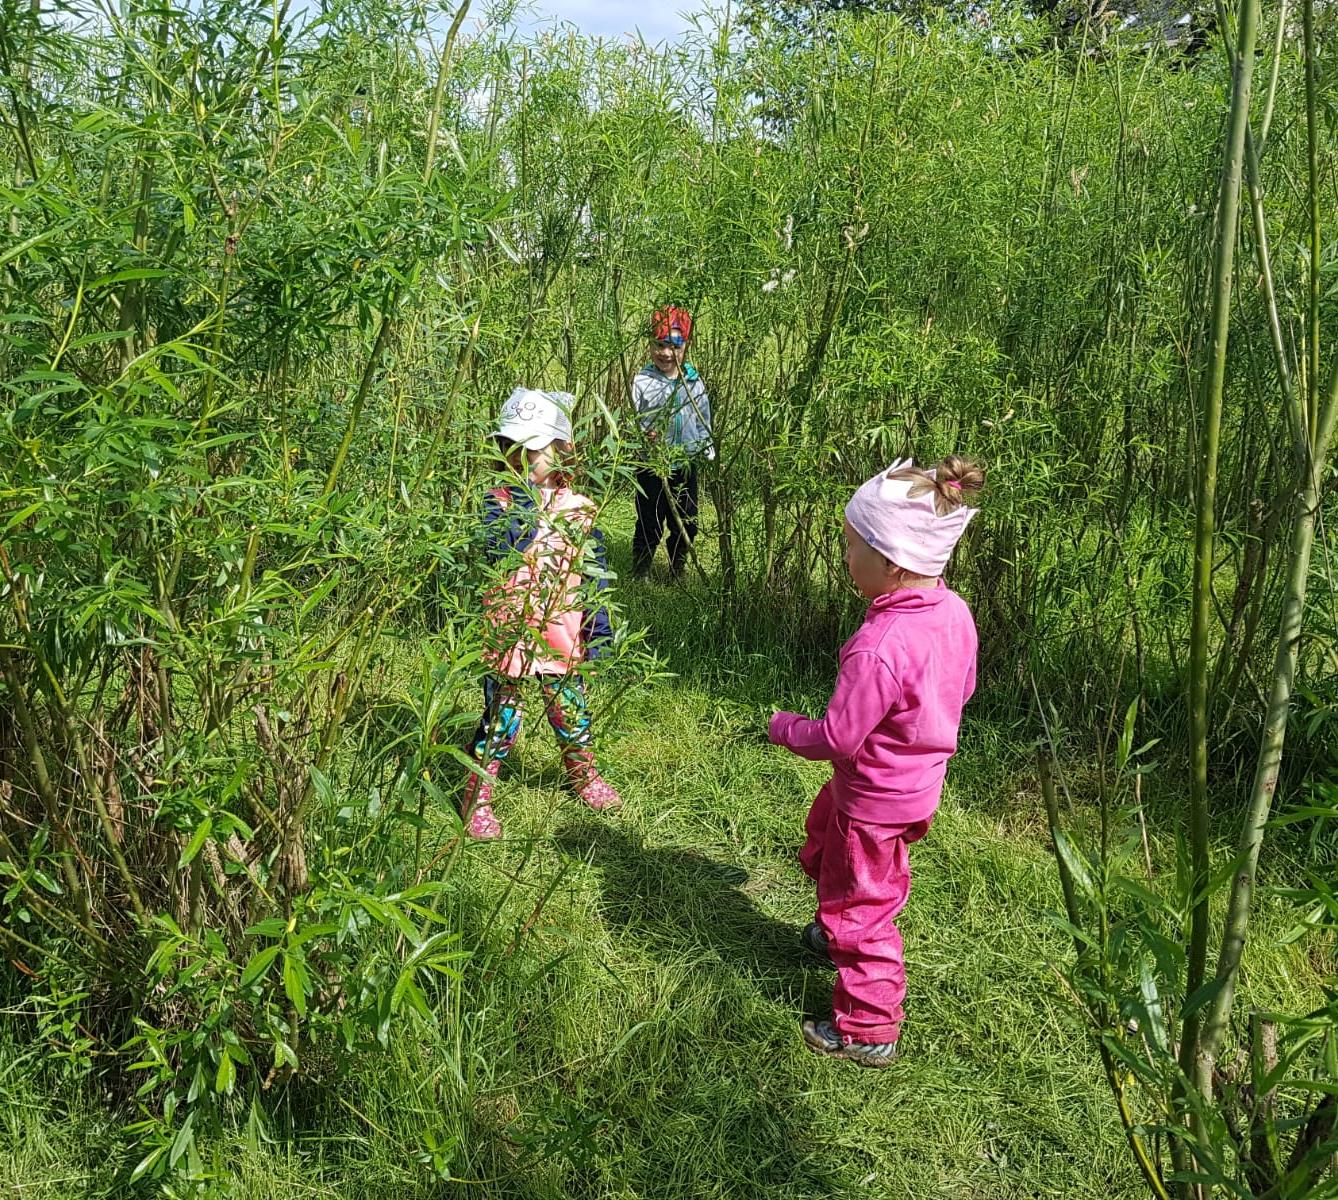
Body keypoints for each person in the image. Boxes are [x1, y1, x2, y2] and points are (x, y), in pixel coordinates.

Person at [767, 456, 983, 1066]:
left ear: (890, 560)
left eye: (850, 546)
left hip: (875, 796)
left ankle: (868, 1024)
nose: (843, 558)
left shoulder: (880, 646)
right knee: (823, 840)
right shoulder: (953, 613)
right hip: (909, 785)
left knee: (864, 903)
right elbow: (959, 690)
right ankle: (836, 929)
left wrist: (785, 728)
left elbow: (837, 736)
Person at [462, 387, 622, 841]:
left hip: (560, 636)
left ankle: (583, 777)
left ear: (562, 450)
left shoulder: (581, 509)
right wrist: (525, 505)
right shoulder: (498, 502)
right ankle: (478, 795)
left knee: (571, 714)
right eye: (509, 449)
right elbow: (499, 552)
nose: (518, 460)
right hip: (509, 636)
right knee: (502, 720)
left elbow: (595, 574)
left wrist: (599, 627)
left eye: (530, 451)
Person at [630, 306, 713, 579]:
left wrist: (705, 445)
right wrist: (644, 435)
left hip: (686, 463)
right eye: (659, 344)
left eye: (674, 346)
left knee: (686, 523)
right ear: (650, 344)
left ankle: (677, 568)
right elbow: (632, 420)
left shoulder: (693, 381)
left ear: (685, 346)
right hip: (651, 465)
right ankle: (640, 571)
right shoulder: (642, 381)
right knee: (648, 522)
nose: (666, 353)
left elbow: (703, 417)